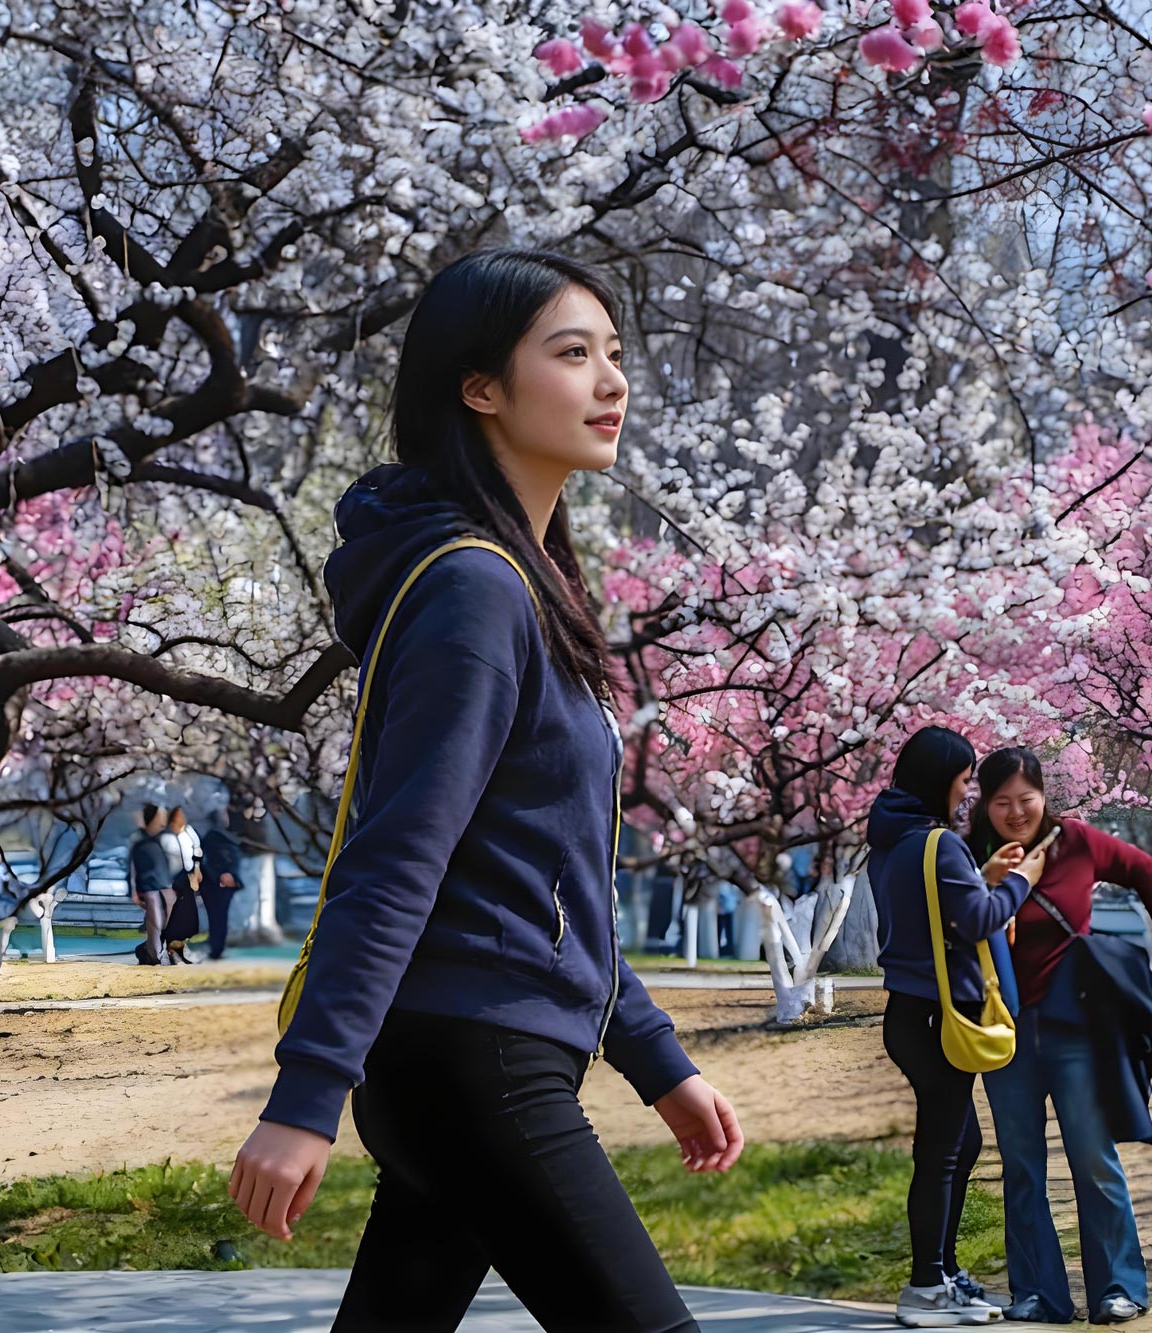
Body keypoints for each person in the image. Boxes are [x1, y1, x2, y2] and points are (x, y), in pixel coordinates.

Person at [230, 248, 744, 1333]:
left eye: (614, 354)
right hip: (476, 1065)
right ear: (477, 386)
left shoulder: (521, 582)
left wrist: (653, 1058)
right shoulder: (475, 587)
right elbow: (398, 850)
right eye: (571, 355)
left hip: (462, 1058)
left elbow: (537, 873)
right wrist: (304, 1094)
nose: (610, 382)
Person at [969, 749, 1152, 1326]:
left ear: (1043, 795)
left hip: (1075, 1028)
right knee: (1021, 1166)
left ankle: (1118, 1287)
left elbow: (1142, 868)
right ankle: (1037, 1293)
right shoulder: (970, 857)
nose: (1016, 813)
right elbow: (954, 925)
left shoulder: (1076, 843)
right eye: (1001, 802)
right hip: (1005, 1034)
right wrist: (988, 881)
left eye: (1026, 800)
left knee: (1093, 1157)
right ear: (984, 805)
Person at [868, 725, 1044, 1328]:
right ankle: (924, 1289)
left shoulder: (892, 837)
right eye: (966, 780)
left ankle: (942, 1273)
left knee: (959, 1143)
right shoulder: (938, 843)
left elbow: (936, 911)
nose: (969, 792)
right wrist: (1020, 881)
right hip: (938, 1017)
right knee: (941, 1153)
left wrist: (984, 874)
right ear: (941, 780)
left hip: (907, 1013)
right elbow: (974, 922)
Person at [129, 805, 174, 965]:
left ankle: (145, 951)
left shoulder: (165, 839)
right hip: (150, 889)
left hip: (166, 887)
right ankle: (155, 958)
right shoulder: (138, 841)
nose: (162, 819)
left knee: (167, 923)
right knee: (155, 924)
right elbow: (132, 868)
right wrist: (133, 891)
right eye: (160, 816)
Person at [200, 812, 245, 961]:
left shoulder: (211, 838)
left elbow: (205, 860)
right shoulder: (229, 839)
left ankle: (216, 948)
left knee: (217, 917)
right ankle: (216, 948)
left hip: (214, 883)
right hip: (221, 884)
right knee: (220, 917)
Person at [161, 807, 204, 964]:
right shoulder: (166, 836)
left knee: (188, 918)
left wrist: (196, 870)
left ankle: (180, 949)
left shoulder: (190, 832)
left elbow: (197, 851)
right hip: (169, 880)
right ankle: (168, 951)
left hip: (187, 878)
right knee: (170, 919)